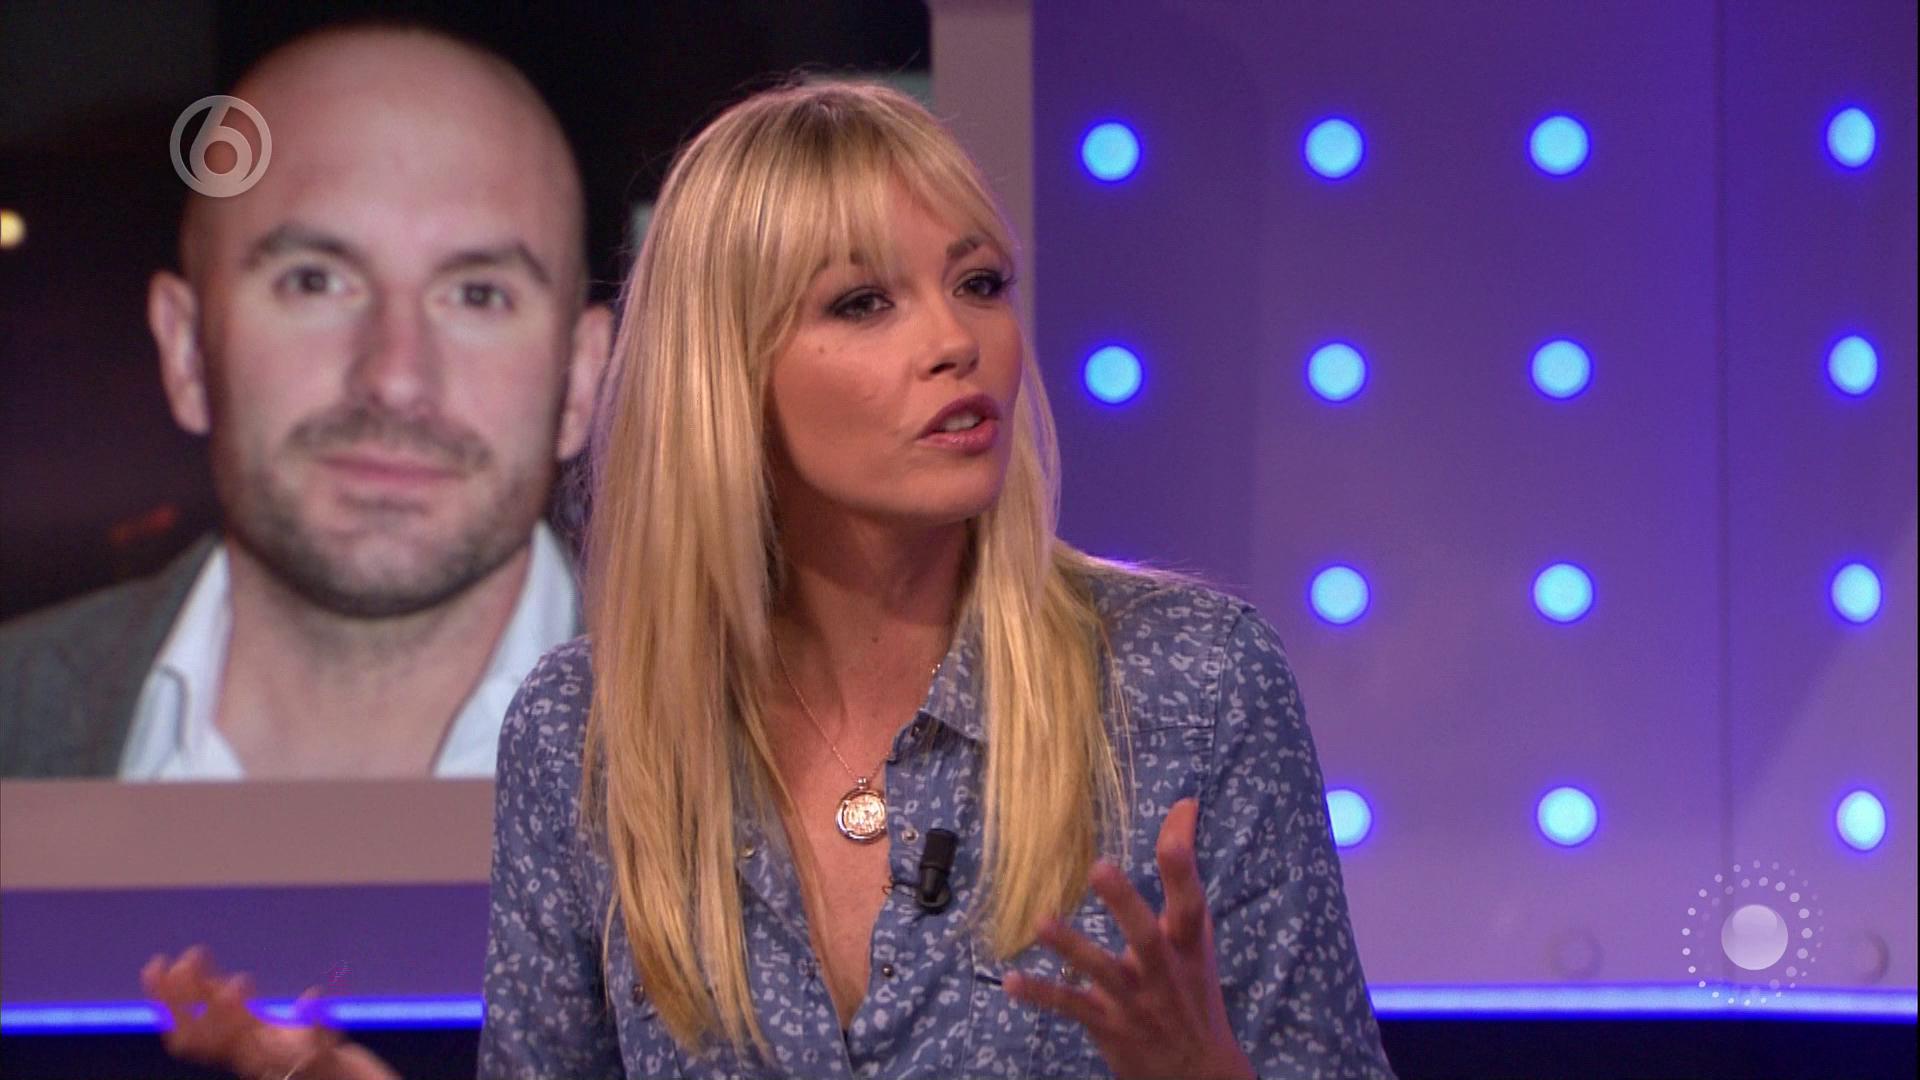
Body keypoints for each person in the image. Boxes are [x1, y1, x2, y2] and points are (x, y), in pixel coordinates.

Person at [144, 81, 1397, 1078]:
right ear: (724, 375)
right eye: (863, 302)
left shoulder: (1191, 681)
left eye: (979, 284)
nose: (956, 341)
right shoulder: (585, 734)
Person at [0, 24, 608, 780]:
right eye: (315, 282)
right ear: (186, 352)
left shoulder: (742, 759)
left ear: (581, 378)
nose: (396, 379)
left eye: (478, 295)